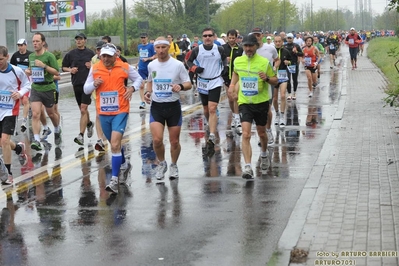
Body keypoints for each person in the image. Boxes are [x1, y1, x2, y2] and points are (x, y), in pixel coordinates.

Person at [84, 43, 143, 194]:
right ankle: (123, 163)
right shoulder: (95, 67)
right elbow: (86, 88)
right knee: (114, 144)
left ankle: (114, 179)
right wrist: (93, 84)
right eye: (103, 55)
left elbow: (139, 80)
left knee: (115, 145)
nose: (105, 59)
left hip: (120, 110)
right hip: (103, 113)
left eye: (109, 56)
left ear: (115, 55)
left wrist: (131, 88)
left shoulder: (124, 67)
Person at [229, 35, 278, 179]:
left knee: (262, 133)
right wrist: (232, 86)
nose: (248, 49)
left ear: (256, 46)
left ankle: (263, 154)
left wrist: (267, 78)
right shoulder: (238, 61)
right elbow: (236, 73)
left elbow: (275, 80)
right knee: (246, 134)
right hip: (245, 103)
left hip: (261, 102)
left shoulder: (264, 62)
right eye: (246, 46)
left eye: (251, 46)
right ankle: (248, 167)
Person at [144, 37, 192, 180]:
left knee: (174, 141)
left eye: (163, 47)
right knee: (157, 140)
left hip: (173, 107)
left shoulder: (177, 65)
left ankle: (174, 165)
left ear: (168, 47)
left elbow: (189, 83)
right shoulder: (152, 65)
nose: (160, 51)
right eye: (158, 48)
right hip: (157, 107)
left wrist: (181, 87)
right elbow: (150, 82)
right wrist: (148, 92)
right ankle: (162, 163)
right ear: (155, 49)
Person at [186, 27, 228, 158]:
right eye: (205, 36)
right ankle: (210, 123)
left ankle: (211, 134)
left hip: (215, 81)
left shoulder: (219, 49)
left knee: (212, 108)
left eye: (210, 35)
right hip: (202, 82)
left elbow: (224, 59)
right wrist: (194, 68)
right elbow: (188, 61)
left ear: (214, 36)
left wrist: (225, 67)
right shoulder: (197, 50)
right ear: (202, 37)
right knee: (205, 109)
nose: (208, 38)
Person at [26, 32, 61, 151]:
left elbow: (56, 72)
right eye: (33, 42)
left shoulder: (49, 56)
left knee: (51, 113)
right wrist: (29, 71)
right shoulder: (31, 56)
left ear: (43, 42)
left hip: (48, 88)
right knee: (36, 114)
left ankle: (57, 129)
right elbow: (31, 69)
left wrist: (44, 66)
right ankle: (36, 139)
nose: (35, 44)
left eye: (37, 41)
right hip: (36, 87)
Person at [0, 46, 30, 185]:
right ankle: (18, 148)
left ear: (7, 57)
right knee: (2, 141)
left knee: (4, 140)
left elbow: (27, 85)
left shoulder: (16, 71)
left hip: (10, 110)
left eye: (0, 59)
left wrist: (19, 93)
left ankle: (8, 173)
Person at [62, 33, 95, 146]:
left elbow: (98, 65)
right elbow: (63, 67)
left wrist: (92, 66)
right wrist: (70, 70)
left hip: (88, 85)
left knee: (83, 109)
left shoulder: (91, 53)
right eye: (77, 39)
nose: (79, 41)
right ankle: (89, 123)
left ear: (85, 40)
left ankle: (80, 135)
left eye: (81, 39)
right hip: (76, 84)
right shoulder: (70, 54)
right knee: (83, 109)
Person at [251, 27, 280, 145]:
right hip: (253, 82)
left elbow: (277, 59)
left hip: (267, 80)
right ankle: (261, 134)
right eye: (254, 35)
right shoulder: (249, 48)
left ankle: (268, 131)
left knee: (267, 109)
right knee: (256, 109)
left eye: (258, 35)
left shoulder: (270, 48)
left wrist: (274, 67)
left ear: (262, 35)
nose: (256, 37)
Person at [222, 29, 243, 135]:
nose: (231, 40)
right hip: (226, 75)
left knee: (235, 96)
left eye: (233, 38)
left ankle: (237, 118)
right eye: (229, 38)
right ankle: (234, 114)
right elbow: (218, 61)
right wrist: (225, 60)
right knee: (230, 98)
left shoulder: (240, 49)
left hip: (237, 76)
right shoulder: (222, 48)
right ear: (227, 37)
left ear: (236, 38)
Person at [10, 38, 32, 133]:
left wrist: (29, 70)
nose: (20, 47)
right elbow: (11, 67)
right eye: (18, 45)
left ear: (26, 45)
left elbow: (33, 68)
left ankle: (24, 121)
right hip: (17, 81)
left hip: (26, 81)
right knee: (17, 101)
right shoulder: (15, 55)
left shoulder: (30, 55)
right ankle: (16, 119)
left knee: (25, 100)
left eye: (21, 45)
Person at [91, 40, 107, 152]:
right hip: (97, 92)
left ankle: (107, 135)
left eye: (101, 49)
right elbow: (90, 77)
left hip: (111, 93)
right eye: (97, 49)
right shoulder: (93, 60)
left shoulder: (114, 59)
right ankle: (100, 139)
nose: (99, 51)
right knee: (98, 115)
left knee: (107, 116)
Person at [273, 36, 292, 128]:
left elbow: (292, 62)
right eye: (276, 42)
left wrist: (288, 62)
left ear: (282, 42)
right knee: (275, 99)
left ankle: (282, 115)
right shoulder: (272, 52)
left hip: (283, 75)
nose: (278, 43)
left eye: (279, 41)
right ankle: (277, 114)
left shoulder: (286, 51)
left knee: (283, 95)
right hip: (273, 77)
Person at [137, 33, 156, 110]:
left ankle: (153, 99)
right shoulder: (139, 46)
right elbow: (140, 56)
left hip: (150, 68)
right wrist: (138, 63)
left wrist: (148, 59)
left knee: (153, 84)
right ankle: (142, 102)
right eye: (141, 38)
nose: (143, 39)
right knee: (141, 85)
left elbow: (155, 56)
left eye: (144, 37)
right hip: (141, 68)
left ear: (147, 38)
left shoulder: (151, 46)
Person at [284, 33, 303, 100]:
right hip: (287, 65)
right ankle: (289, 93)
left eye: (290, 38)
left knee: (295, 79)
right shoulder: (284, 46)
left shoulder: (296, 45)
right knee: (288, 79)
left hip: (294, 64)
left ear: (293, 38)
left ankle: (294, 92)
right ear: (286, 39)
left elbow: (302, 54)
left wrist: (296, 52)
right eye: (288, 38)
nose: (289, 39)